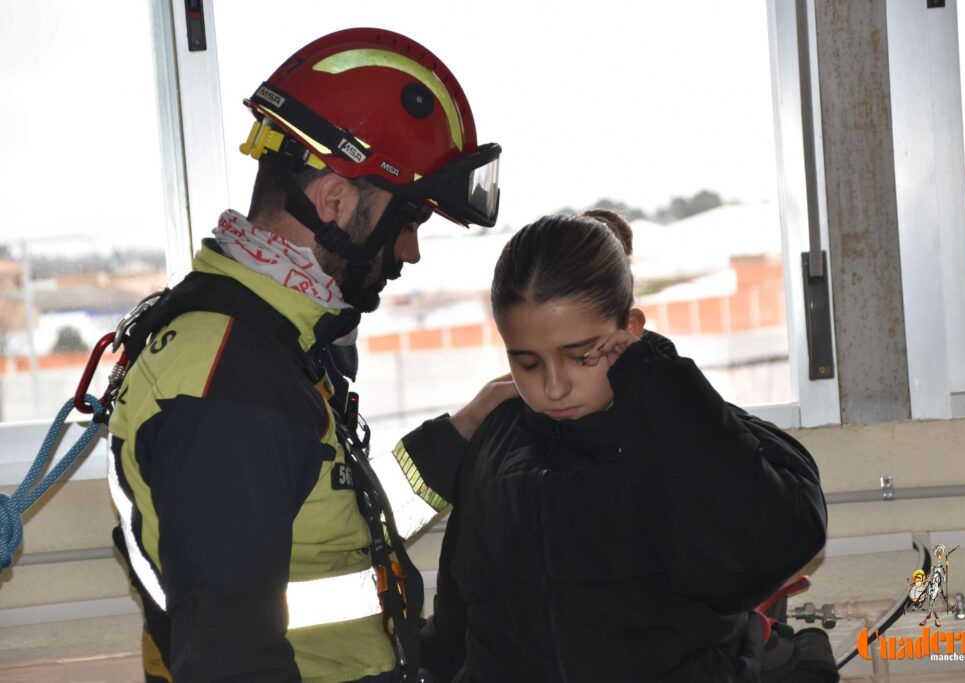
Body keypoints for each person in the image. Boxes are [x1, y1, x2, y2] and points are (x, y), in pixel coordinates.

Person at [107, 28, 505, 682]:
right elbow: (230, 663)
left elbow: (327, 528)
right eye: (407, 219)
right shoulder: (229, 379)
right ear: (334, 201)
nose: (410, 251)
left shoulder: (270, 340)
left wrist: (459, 435)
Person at [397, 210, 829, 681]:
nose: (554, 387)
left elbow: (775, 543)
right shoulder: (492, 444)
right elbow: (458, 625)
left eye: (581, 357)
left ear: (632, 330)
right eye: (528, 364)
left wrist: (656, 376)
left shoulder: (684, 422)